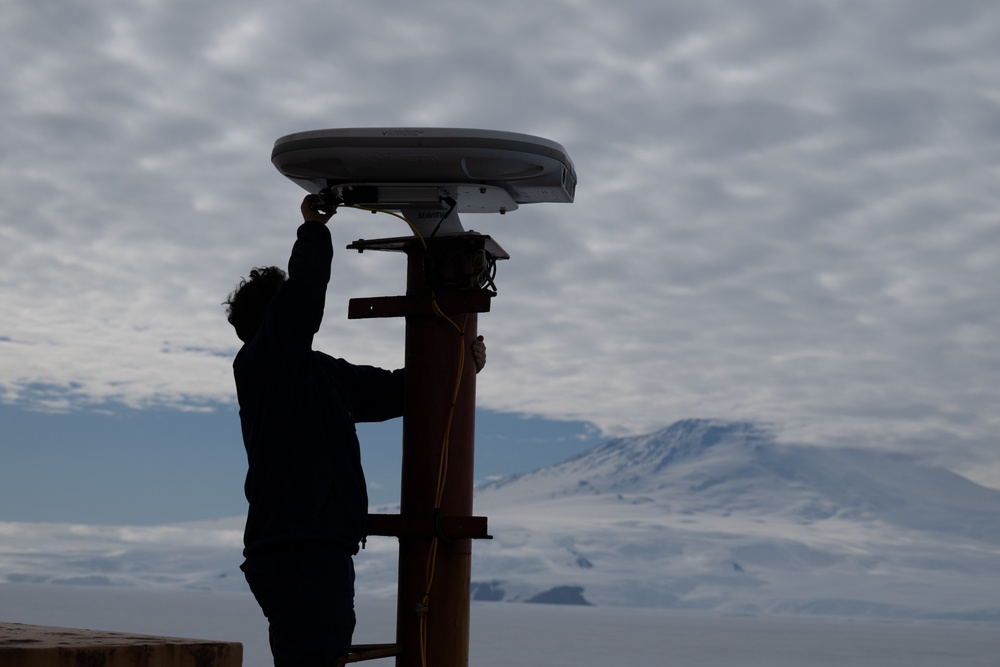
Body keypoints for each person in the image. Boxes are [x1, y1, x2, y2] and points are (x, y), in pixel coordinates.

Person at [224, 194, 485, 666]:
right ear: (275, 317)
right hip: (296, 553)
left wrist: (461, 366)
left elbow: (400, 392)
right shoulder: (262, 365)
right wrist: (313, 228)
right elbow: (302, 297)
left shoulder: (317, 374)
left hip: (316, 551)